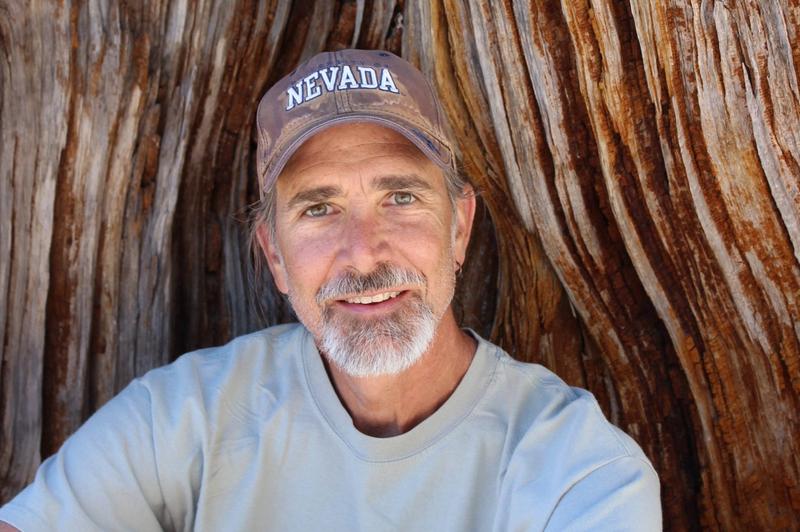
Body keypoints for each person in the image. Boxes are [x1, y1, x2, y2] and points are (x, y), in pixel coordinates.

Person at [0, 49, 661, 531]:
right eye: (318, 209)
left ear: (459, 229)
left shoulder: (579, 474)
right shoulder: (187, 418)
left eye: (400, 197)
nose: (363, 253)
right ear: (274, 257)